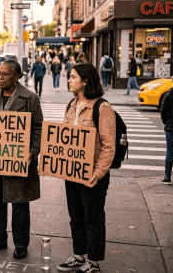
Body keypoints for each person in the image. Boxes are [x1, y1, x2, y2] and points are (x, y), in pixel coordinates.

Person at [0, 60, 43, 260]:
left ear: (17, 77)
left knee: (19, 204)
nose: (0, 77)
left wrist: (33, 152)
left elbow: (38, 128)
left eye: (5, 74)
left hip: (19, 162)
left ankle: (21, 244)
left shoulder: (30, 98)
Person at [57, 63, 116, 273]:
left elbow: (109, 147)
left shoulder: (102, 107)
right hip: (71, 172)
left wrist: (98, 174)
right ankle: (79, 255)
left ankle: (94, 261)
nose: (69, 80)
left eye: (73, 77)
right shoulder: (70, 105)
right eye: (69, 77)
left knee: (93, 217)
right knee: (76, 215)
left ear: (85, 81)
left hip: (93, 174)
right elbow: (63, 142)